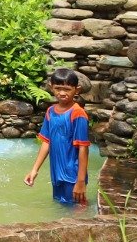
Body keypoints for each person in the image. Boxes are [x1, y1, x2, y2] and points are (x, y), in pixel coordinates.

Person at [26, 68, 91, 207]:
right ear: (51, 87)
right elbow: (46, 142)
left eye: (67, 89)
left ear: (77, 90)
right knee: (61, 206)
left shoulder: (78, 113)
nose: (62, 93)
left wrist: (80, 181)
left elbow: (83, 148)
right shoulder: (51, 111)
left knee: (77, 209)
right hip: (56, 173)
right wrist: (34, 170)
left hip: (73, 175)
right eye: (58, 88)